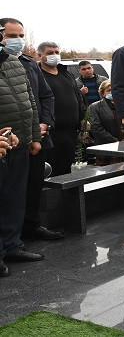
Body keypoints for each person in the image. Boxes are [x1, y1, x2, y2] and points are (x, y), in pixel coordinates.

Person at [0, 19, 61, 241]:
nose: (17, 41)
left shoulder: (28, 63)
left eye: (20, 36)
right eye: (11, 35)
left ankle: (30, 227)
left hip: (35, 135)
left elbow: (44, 96)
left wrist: (44, 124)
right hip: (7, 141)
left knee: (33, 186)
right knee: (10, 193)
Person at [0, 39, 44, 277]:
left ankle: (12, 245)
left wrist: (34, 136)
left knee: (15, 198)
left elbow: (31, 103)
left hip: (19, 142)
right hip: (1, 145)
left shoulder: (15, 64)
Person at [38, 41, 86, 176]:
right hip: (50, 132)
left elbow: (77, 97)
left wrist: (82, 118)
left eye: (57, 52)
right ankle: (51, 197)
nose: (54, 55)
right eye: (50, 53)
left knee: (66, 169)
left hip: (70, 131)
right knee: (50, 170)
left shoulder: (66, 73)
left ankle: (67, 197)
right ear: (40, 55)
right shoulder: (37, 75)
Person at [89, 81, 124, 165]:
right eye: (109, 90)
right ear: (102, 93)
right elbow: (96, 128)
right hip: (106, 147)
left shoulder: (123, 105)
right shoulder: (95, 107)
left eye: (114, 90)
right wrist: (115, 141)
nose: (112, 92)